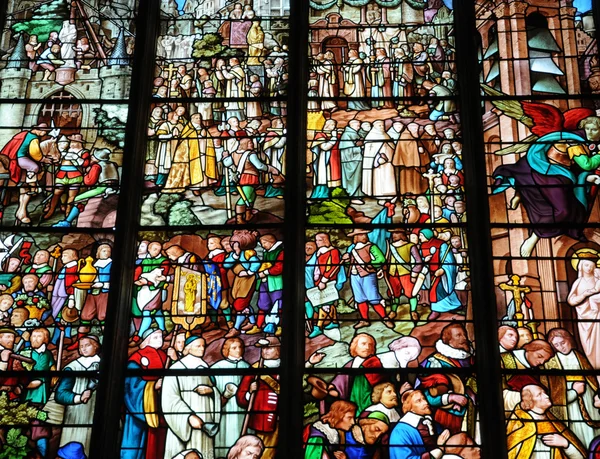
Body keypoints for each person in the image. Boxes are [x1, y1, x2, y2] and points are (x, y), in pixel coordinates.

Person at [162, 336, 221, 459]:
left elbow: (216, 391)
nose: (202, 349)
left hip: (205, 418)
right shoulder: (176, 368)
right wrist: (188, 416)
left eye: (203, 346)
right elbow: (170, 398)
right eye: (198, 346)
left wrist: (212, 391)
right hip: (183, 423)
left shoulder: (205, 367)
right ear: (188, 348)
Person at [544, 328, 600, 446]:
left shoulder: (580, 357)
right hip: (569, 405)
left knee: (591, 432)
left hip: (588, 399)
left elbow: (592, 380)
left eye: (563, 343)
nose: (561, 347)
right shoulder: (551, 363)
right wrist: (573, 391)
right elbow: (554, 391)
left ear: (569, 339)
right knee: (576, 430)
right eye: (556, 345)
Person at [122, 328, 168, 459]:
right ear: (146, 340)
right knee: (134, 446)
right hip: (139, 408)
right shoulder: (137, 358)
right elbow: (131, 385)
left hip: (159, 408)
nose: (160, 340)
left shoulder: (165, 356)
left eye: (160, 337)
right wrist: (153, 386)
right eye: (155, 337)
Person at [506, 384, 586, 459]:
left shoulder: (555, 423)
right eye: (539, 394)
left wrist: (566, 444)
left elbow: (580, 457)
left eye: (544, 393)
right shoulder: (521, 424)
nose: (547, 396)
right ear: (529, 402)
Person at [55, 335, 102, 455]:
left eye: (87, 345)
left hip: (100, 416)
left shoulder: (105, 366)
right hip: (75, 417)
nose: (84, 349)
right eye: (81, 346)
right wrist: (78, 398)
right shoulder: (73, 367)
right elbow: (60, 394)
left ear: (96, 347)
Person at [237, 337, 281, 459]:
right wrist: (250, 392)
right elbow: (241, 397)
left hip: (284, 418)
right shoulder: (255, 369)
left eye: (269, 348)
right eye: (263, 348)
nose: (265, 351)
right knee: (264, 451)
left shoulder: (285, 367)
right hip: (262, 419)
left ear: (278, 349)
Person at [343, 229, 389, 329]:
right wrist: (346, 260)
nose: (363, 236)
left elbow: (381, 259)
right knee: (360, 299)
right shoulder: (352, 249)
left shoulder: (371, 247)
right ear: (356, 237)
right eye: (360, 235)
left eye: (364, 234)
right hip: (354, 276)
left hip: (368, 275)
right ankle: (364, 320)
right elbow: (349, 264)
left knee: (373, 298)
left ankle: (385, 318)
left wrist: (369, 265)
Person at [212, 338, 250, 458]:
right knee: (226, 435)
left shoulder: (248, 367)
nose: (238, 350)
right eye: (234, 348)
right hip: (226, 410)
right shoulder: (217, 368)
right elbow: (213, 393)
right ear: (226, 350)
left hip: (243, 410)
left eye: (240, 347)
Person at [389, 389, 450, 459]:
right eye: (419, 401)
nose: (425, 402)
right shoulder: (400, 432)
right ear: (410, 408)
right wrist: (439, 449)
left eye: (424, 399)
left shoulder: (430, 423)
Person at [418, 229, 462, 319]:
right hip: (429, 273)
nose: (419, 237)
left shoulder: (442, 245)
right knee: (438, 290)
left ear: (427, 235)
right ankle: (454, 304)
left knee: (438, 290)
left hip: (440, 273)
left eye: (421, 235)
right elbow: (419, 259)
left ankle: (436, 310)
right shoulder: (422, 246)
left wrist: (443, 270)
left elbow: (449, 260)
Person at [308, 232, 345, 338]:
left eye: (319, 240)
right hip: (319, 281)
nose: (317, 242)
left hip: (328, 281)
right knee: (328, 303)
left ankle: (318, 327)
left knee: (324, 303)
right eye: (316, 240)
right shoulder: (319, 252)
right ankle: (333, 321)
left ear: (325, 240)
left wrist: (324, 280)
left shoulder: (333, 252)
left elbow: (333, 268)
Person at [567, 252, 600, 369]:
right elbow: (571, 300)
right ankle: (594, 368)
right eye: (586, 265)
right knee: (588, 347)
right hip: (584, 319)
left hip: (598, 316)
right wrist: (585, 295)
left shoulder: (598, 280)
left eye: (591, 266)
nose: (589, 268)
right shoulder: (578, 282)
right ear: (581, 266)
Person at [386, 229, 424, 322]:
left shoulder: (410, 246)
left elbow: (419, 262)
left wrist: (414, 274)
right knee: (394, 294)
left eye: (397, 233)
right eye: (393, 233)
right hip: (392, 274)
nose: (394, 235)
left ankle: (413, 311)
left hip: (406, 273)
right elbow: (387, 259)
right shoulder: (390, 246)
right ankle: (393, 311)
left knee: (411, 294)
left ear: (402, 235)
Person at [256, 234, 283, 334]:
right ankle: (258, 325)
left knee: (278, 304)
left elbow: (279, 267)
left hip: (276, 283)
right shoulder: (266, 252)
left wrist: (266, 272)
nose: (263, 245)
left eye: (264, 243)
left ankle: (280, 326)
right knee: (262, 304)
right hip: (265, 281)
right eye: (262, 243)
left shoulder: (280, 251)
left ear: (271, 242)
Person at [339, 120, 365, 200]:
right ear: (352, 125)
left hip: (357, 160)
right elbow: (347, 151)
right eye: (357, 125)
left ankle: (357, 195)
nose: (359, 127)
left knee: (358, 178)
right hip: (350, 161)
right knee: (353, 179)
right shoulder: (346, 135)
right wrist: (359, 147)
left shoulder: (354, 134)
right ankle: (352, 196)